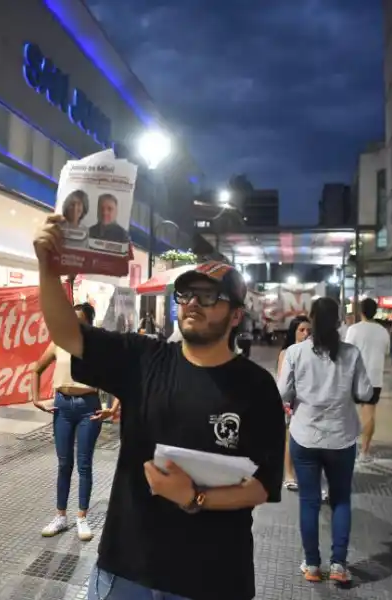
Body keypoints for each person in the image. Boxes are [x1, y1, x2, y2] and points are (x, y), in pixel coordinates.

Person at [34, 215, 285, 600]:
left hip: (213, 577)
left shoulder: (257, 387)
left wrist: (194, 497)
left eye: (208, 296)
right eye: (186, 295)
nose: (193, 304)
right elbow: (68, 334)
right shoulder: (143, 359)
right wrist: (47, 270)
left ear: (236, 315)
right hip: (127, 568)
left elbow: (264, 486)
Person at [278, 297, 371, 585]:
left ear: (312, 320)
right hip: (341, 437)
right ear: (338, 321)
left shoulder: (295, 352)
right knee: (340, 500)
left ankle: (312, 565)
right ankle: (339, 565)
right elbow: (365, 392)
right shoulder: (351, 353)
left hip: (305, 436)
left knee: (309, 501)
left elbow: (282, 393)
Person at [32, 302, 119, 542]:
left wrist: (112, 409)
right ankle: (60, 516)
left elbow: (118, 378)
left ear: (89, 323)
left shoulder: (98, 349)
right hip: (62, 407)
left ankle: (82, 517)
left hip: (88, 408)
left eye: (79, 320)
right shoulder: (58, 343)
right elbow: (36, 369)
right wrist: (36, 399)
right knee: (64, 464)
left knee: (84, 464)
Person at [345, 297, 390, 464]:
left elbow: (347, 353)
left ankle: (345, 447)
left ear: (361, 311)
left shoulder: (353, 330)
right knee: (369, 414)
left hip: (355, 377)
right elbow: (386, 352)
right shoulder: (383, 331)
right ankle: (364, 452)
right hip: (374, 379)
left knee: (347, 413)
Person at [277, 316, 310, 492]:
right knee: (290, 438)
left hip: (308, 401)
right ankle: (289, 474)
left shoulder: (313, 351)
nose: (306, 334)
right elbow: (282, 380)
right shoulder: (287, 352)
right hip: (290, 401)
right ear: (294, 332)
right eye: (301, 330)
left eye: (309, 331)